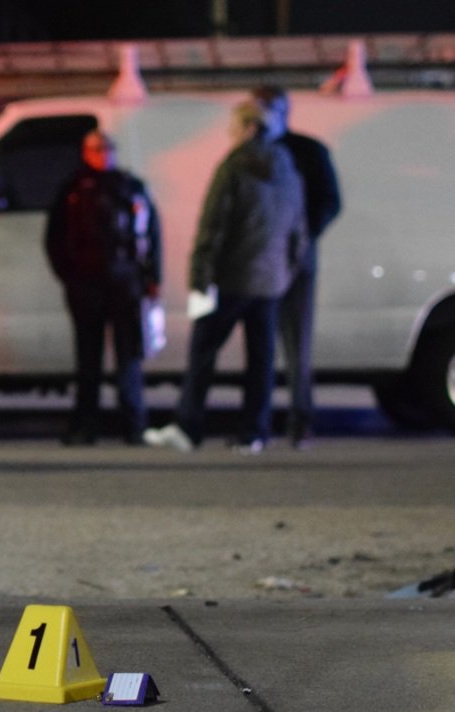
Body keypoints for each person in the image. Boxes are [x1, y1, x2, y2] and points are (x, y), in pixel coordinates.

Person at [145, 101, 306, 454]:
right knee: (261, 361)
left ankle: (187, 427)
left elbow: (213, 226)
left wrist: (200, 278)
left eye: (234, 126)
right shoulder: (288, 168)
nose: (231, 133)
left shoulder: (235, 167)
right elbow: (298, 231)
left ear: (247, 127)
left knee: (203, 351)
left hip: (232, 278)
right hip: (270, 282)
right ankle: (254, 432)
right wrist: (285, 273)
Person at [44, 129, 162, 445]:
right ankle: (85, 425)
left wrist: (153, 278)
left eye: (107, 148)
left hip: (124, 282)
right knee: (88, 360)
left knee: (128, 358)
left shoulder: (130, 187)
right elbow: (54, 238)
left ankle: (134, 425)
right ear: (85, 152)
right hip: (86, 285)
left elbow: (152, 235)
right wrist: (67, 275)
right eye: (96, 148)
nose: (102, 153)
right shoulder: (72, 189)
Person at [253, 86, 342, 449]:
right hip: (260, 259)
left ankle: (299, 420)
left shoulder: (308, 151)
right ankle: (257, 423)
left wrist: (305, 234)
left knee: (296, 343)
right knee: (261, 343)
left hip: (295, 258)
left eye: (270, 108)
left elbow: (330, 200)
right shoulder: (252, 153)